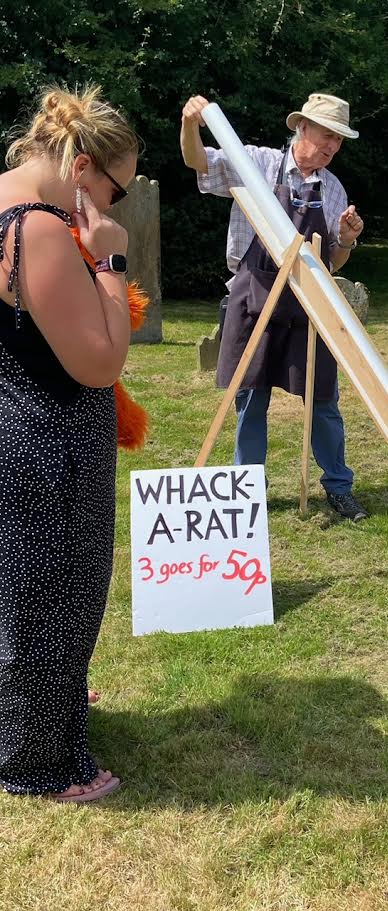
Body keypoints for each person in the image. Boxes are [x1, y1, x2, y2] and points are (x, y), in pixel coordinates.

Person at [0, 85, 137, 801]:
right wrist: (111, 262)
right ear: (82, 168)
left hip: (19, 420)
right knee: (54, 599)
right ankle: (40, 763)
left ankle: (35, 718)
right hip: (50, 443)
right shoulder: (42, 230)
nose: (114, 206)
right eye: (117, 189)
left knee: (24, 596)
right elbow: (100, 362)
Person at [181, 92, 368, 521]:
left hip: (309, 308)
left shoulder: (333, 189)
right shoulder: (255, 164)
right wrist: (190, 124)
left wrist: (346, 239)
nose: (332, 146)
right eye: (326, 135)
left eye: (339, 140)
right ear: (302, 127)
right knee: (250, 396)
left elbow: (334, 260)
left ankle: (338, 487)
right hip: (254, 297)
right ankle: (248, 490)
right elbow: (198, 162)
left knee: (323, 399)